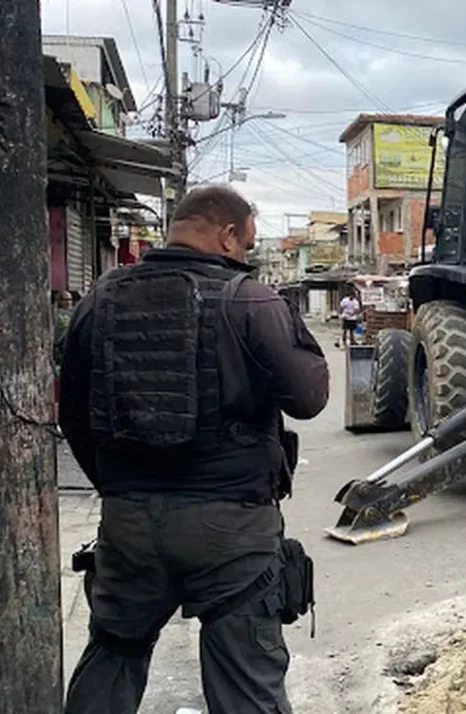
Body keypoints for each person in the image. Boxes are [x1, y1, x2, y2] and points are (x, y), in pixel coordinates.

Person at [58, 185, 330, 714]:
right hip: (230, 529)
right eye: (248, 244)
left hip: (129, 523)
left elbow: (72, 415)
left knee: (113, 656)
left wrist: (119, 489)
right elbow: (309, 397)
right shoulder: (250, 299)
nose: (247, 256)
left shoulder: (101, 296)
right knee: (246, 682)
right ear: (228, 235)